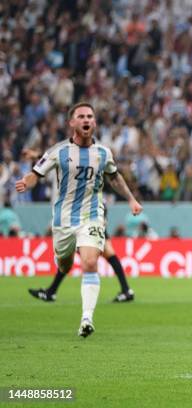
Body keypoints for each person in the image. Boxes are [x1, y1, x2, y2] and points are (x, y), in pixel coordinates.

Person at [16, 102, 142, 338]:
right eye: (81, 116)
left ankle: (87, 318)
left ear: (94, 122)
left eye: (90, 116)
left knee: (90, 262)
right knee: (64, 264)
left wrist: (132, 199)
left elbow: (115, 178)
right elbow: (36, 173)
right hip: (63, 220)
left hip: (92, 215)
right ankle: (60, 271)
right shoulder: (59, 151)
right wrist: (26, 181)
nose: (86, 120)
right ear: (72, 122)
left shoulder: (103, 153)